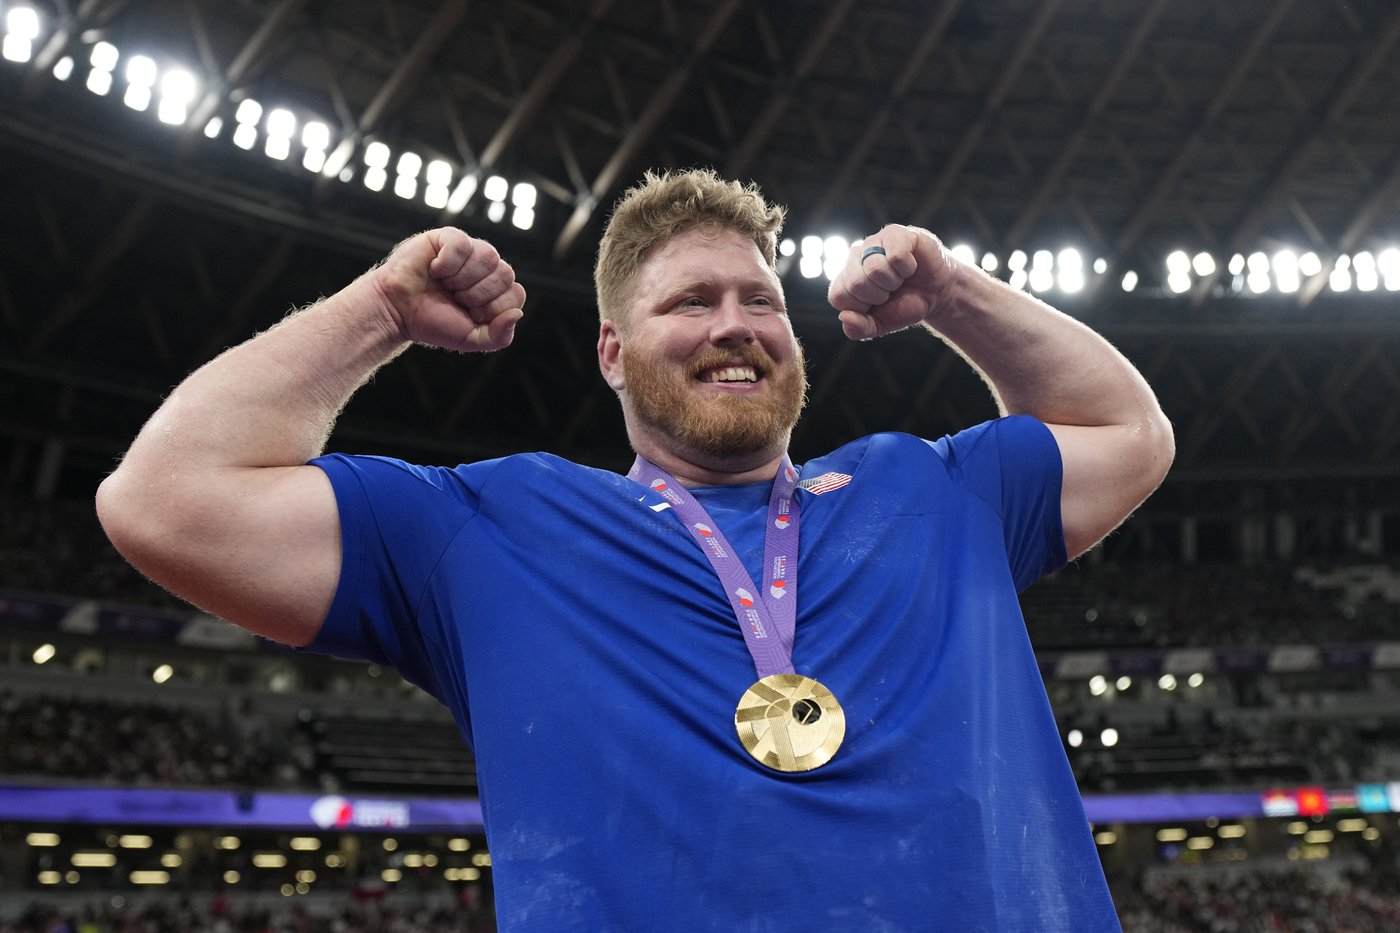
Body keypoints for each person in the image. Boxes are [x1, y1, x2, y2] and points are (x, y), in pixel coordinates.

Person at [96, 168, 1173, 931]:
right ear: (611, 352)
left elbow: (1126, 434)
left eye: (761, 300)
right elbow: (166, 500)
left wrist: (952, 296)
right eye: (689, 302)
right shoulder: (487, 529)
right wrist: (377, 310)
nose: (733, 323)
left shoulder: (933, 486)